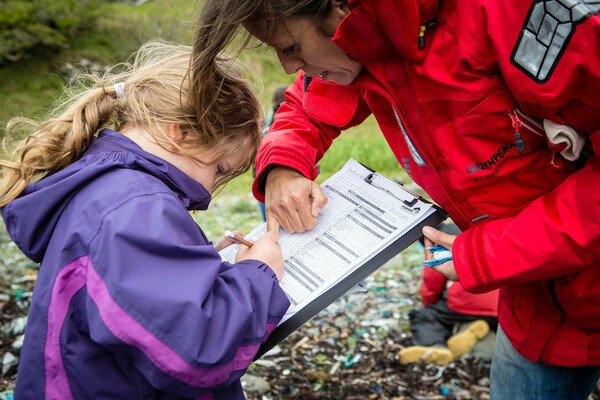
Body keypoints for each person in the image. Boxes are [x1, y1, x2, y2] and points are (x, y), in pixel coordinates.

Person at [192, 1, 600, 399]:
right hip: (535, 308)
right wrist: (282, 165)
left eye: (291, 47)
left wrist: (488, 256)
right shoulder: (365, 46)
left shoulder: (510, 15)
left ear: (339, 9)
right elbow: (307, 106)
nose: (286, 67)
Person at [0, 41, 290, 399]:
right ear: (180, 133)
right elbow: (194, 353)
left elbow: (123, 293)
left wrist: (194, 259)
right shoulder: (135, 206)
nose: (211, 191)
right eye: (219, 169)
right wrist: (259, 272)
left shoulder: (108, 189)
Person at [399, 222, 499, 366]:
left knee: (426, 317)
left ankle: (435, 346)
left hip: (465, 304)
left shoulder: (438, 247)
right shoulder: (477, 234)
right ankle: (480, 329)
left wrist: (430, 306)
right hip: (501, 307)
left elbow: (431, 285)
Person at [256, 85, 288, 221]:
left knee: (268, 217)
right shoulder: (286, 123)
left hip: (261, 176)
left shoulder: (267, 121)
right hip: (284, 175)